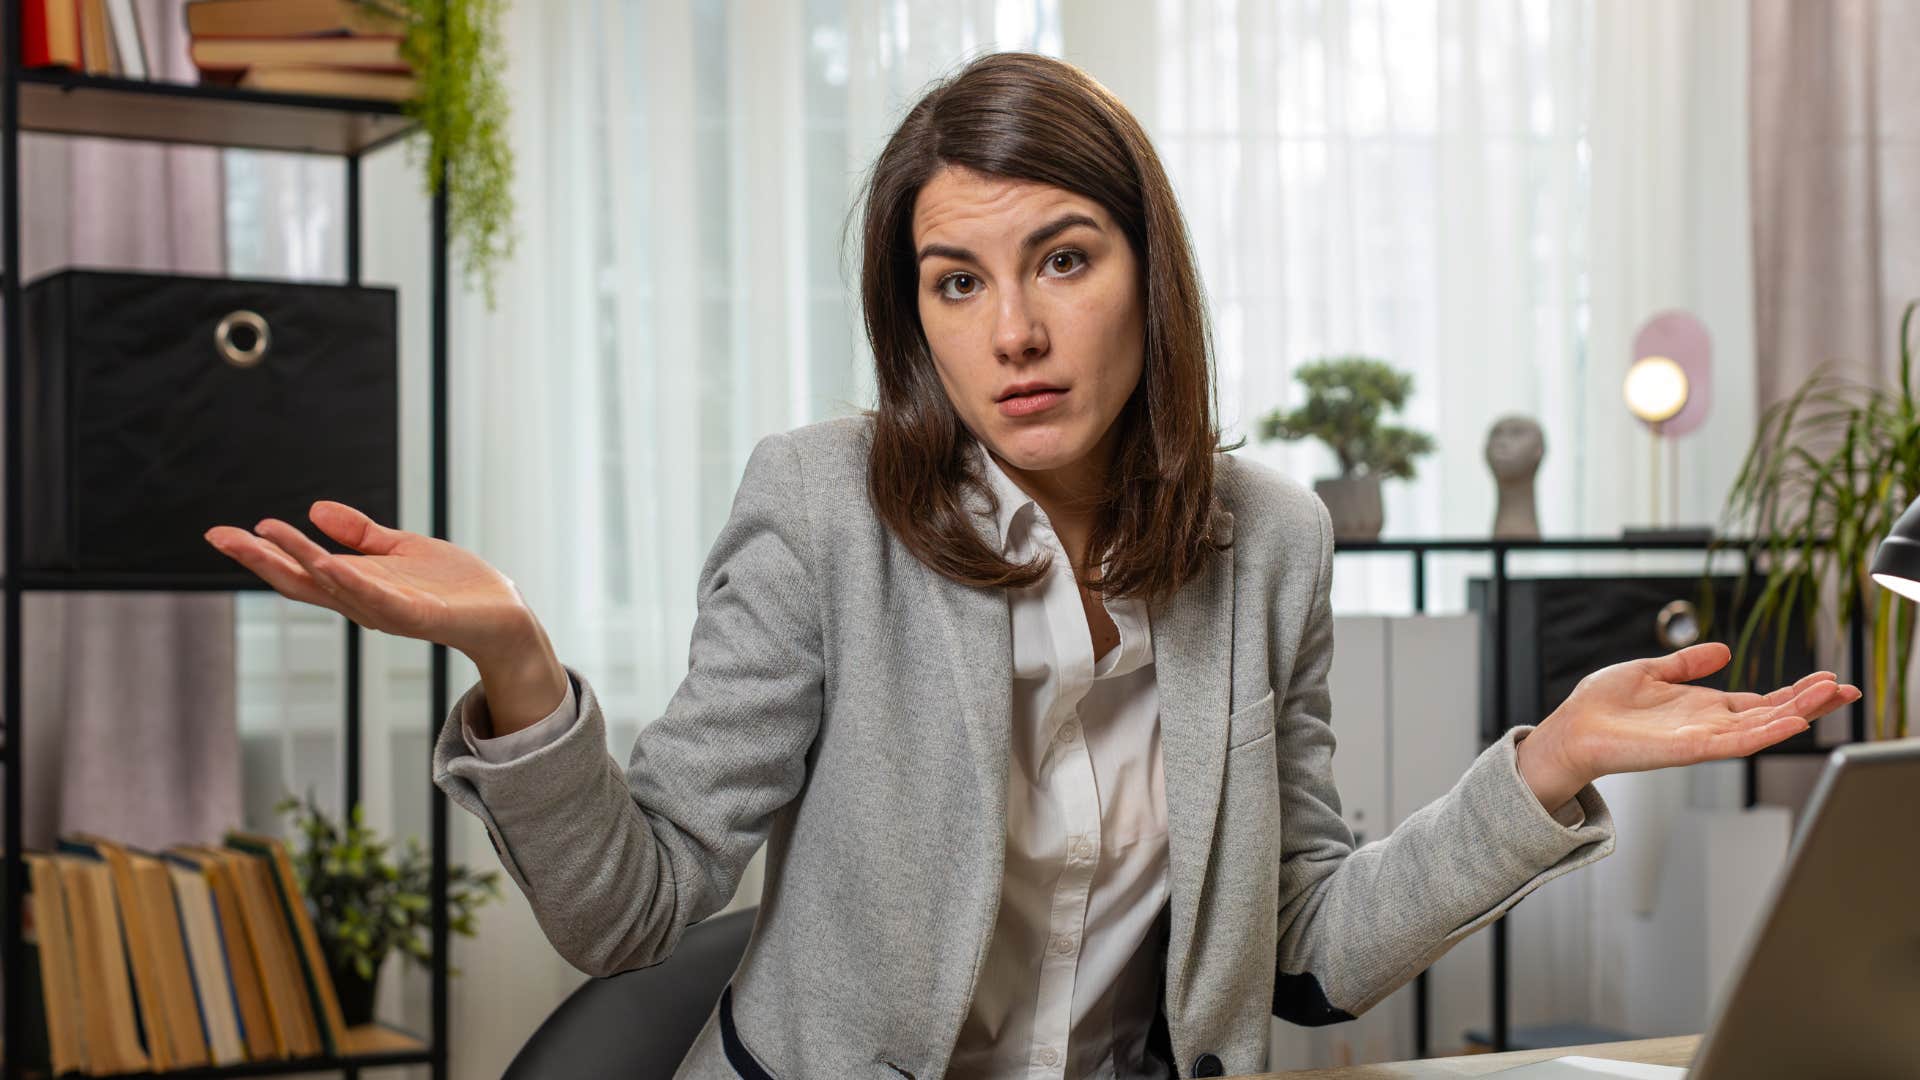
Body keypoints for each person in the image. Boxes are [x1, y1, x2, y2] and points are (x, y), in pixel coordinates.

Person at [204, 52, 1859, 1080]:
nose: (1012, 330)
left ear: (1148, 273)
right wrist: (518, 665)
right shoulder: (822, 508)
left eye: (1063, 258)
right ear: (910, 314)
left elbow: (1308, 953)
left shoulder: (1269, 537)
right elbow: (634, 915)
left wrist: (1549, 764)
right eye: (952, 281)